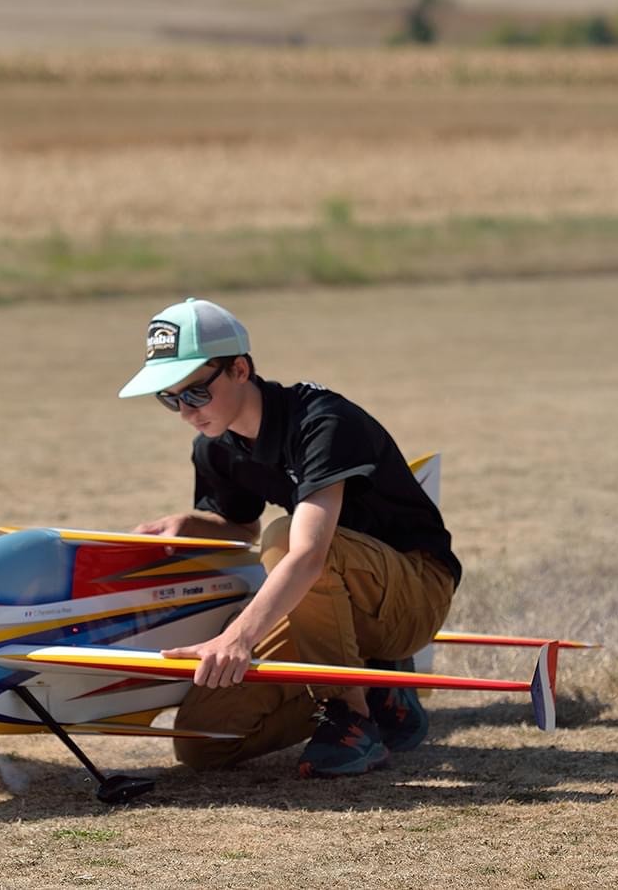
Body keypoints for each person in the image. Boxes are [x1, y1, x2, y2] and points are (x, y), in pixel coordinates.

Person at [117, 297, 461, 778]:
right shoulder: (215, 448)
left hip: (415, 592)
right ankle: (377, 686)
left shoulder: (322, 422)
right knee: (202, 743)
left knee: (287, 539)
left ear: (240, 369)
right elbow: (241, 527)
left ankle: (352, 715)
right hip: (326, 604)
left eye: (194, 393)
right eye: (169, 398)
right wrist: (188, 524)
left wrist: (237, 637)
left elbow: (308, 554)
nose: (186, 413)